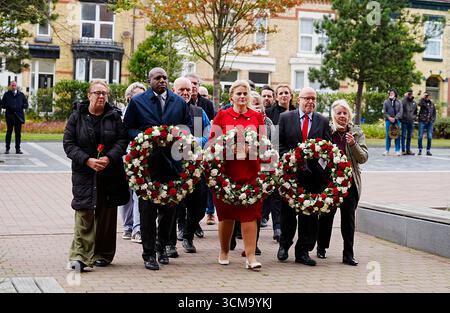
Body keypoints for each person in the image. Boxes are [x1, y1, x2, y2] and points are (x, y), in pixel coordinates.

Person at [123, 67, 192, 271]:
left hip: (172, 164)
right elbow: (127, 128)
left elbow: (188, 127)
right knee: (147, 211)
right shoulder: (138, 102)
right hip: (147, 165)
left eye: (165, 78)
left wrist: (177, 136)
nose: (162, 80)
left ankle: (162, 247)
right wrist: (145, 137)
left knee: (169, 210)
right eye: (157, 78)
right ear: (149, 79)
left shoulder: (178, 102)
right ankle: (149, 253)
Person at [63, 80, 130, 272]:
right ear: (89, 95)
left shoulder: (114, 116)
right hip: (85, 173)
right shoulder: (77, 117)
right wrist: (87, 160)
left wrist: (109, 158)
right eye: (97, 93)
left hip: (110, 173)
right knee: (84, 212)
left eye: (104, 93)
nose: (101, 96)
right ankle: (79, 256)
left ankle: (103, 254)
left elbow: (122, 140)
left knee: (107, 215)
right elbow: (69, 144)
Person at [209, 80, 264, 270]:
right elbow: (211, 144)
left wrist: (254, 147)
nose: (242, 97)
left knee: (250, 213)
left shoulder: (257, 117)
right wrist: (228, 146)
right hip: (226, 173)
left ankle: (250, 256)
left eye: (245, 94)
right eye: (238, 93)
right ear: (231, 96)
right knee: (226, 215)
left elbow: (264, 145)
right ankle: (224, 251)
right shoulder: (222, 116)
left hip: (250, 172)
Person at [277, 86, 331, 266]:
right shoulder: (285, 118)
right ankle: (284, 245)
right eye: (307, 98)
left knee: (309, 216)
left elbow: (327, 149)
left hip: (314, 177)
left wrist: (320, 167)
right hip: (291, 176)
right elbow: (279, 144)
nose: (310, 102)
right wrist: (293, 158)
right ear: (298, 99)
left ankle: (303, 251)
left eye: (313, 99)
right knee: (288, 214)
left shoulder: (322, 121)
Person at [317, 99, 368, 266]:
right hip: (330, 182)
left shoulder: (356, 132)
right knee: (326, 216)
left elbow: (363, 158)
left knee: (348, 219)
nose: (342, 116)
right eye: (339, 113)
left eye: (345, 113)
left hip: (349, 182)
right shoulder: (327, 131)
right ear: (333, 115)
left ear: (349, 116)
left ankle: (348, 254)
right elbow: (318, 154)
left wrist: (352, 143)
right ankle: (321, 248)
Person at [170, 77, 210, 255]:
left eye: (188, 90)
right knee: (173, 203)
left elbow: (210, 134)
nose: (186, 93)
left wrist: (197, 140)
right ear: (173, 90)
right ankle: (173, 241)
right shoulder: (168, 110)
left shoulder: (199, 112)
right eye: (181, 90)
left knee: (199, 204)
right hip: (173, 164)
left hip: (196, 164)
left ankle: (188, 233)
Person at [118, 82, 146, 243]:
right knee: (126, 194)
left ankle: (137, 228)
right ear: (129, 98)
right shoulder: (122, 114)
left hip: (140, 157)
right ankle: (128, 226)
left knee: (137, 192)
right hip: (124, 156)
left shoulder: (144, 115)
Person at [1, 81, 28, 154]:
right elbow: (2, 104)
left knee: (18, 133)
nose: (13, 86)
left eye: (14, 85)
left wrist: (21, 106)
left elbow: (26, 104)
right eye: (12, 85)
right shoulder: (6, 95)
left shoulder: (21, 95)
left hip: (18, 117)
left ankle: (18, 149)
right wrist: (9, 107)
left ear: (17, 86)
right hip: (9, 116)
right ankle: (7, 148)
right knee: (9, 132)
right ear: (10, 86)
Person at [382, 89, 403, 156]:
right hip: (388, 121)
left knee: (397, 135)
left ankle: (397, 150)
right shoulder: (386, 102)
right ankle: (387, 150)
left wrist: (395, 118)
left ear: (395, 94)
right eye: (390, 93)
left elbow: (400, 111)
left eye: (392, 93)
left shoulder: (399, 102)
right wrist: (389, 118)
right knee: (388, 135)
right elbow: (384, 112)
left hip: (397, 121)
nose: (391, 94)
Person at [401, 89, 417, 155]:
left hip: (411, 122)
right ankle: (403, 150)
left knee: (409, 136)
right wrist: (405, 97)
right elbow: (401, 107)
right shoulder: (404, 101)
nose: (410, 95)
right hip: (404, 121)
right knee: (403, 136)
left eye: (411, 93)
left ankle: (408, 150)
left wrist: (414, 117)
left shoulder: (414, 102)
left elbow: (416, 112)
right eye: (409, 93)